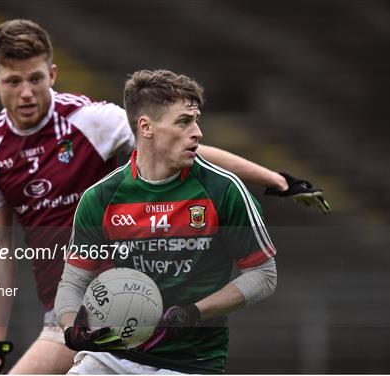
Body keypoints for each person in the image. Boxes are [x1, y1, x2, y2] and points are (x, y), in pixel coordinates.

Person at [0, 19, 327, 374]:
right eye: (13, 82)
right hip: (67, 305)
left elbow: (182, 146)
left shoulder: (92, 121)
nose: (27, 93)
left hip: (119, 298)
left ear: (52, 73)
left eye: (35, 79)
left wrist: (276, 180)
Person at [54, 69, 277, 374]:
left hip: (190, 363)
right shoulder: (101, 197)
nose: (197, 132)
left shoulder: (223, 189)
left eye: (196, 120)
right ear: (146, 126)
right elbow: (74, 280)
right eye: (184, 121)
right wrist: (70, 329)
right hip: (112, 354)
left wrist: (192, 313)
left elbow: (263, 274)